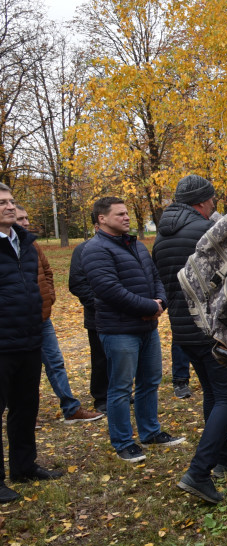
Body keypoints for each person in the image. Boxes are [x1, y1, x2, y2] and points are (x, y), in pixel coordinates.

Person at [153, 175, 227, 504]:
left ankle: (223, 456)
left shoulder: (161, 238)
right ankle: (199, 471)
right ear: (200, 202)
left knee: (213, 392)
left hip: (184, 329)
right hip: (212, 327)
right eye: (211, 200)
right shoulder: (204, 231)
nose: (214, 205)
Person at [83, 196, 185, 462]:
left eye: (127, 213)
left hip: (147, 327)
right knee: (120, 387)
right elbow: (109, 290)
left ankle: (150, 432)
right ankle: (122, 441)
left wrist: (160, 301)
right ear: (102, 219)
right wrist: (148, 306)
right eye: (120, 214)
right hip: (119, 330)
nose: (127, 218)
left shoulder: (136, 245)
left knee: (150, 381)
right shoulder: (95, 249)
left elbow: (155, 277)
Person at [0, 184, 64, 504]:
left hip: (28, 338)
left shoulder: (24, 242)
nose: (10, 207)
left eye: (11, 201)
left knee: (25, 408)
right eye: (2, 203)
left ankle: (24, 468)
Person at [15, 206, 104, 424]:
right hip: (13, 322)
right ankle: (24, 415)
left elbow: (46, 271)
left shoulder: (31, 244)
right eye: (20, 219)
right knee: (20, 370)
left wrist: (49, 298)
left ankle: (71, 408)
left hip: (41, 316)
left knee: (55, 362)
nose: (26, 222)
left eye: (27, 217)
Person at [69, 233, 109, 414]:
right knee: (100, 357)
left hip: (126, 313)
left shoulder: (127, 246)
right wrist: (98, 304)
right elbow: (77, 283)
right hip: (98, 315)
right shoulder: (83, 249)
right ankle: (101, 396)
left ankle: (118, 391)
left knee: (121, 357)